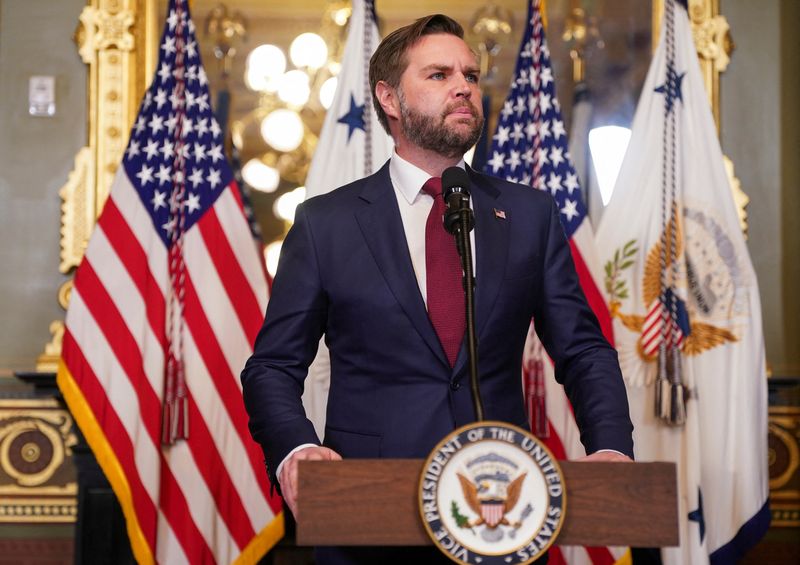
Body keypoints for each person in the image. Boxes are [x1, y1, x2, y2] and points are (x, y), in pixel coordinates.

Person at [241, 14, 633, 564]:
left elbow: (583, 349)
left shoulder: (528, 214)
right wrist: (296, 450)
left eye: (470, 76)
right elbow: (273, 367)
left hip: (499, 511)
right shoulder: (325, 224)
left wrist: (611, 446)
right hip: (365, 521)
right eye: (440, 75)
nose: (463, 87)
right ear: (390, 98)